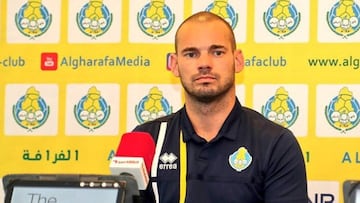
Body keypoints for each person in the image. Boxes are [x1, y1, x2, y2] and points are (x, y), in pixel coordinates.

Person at [132, 11, 308, 203]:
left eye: (217, 52)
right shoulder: (146, 139)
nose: (204, 64)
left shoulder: (275, 143)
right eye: (191, 54)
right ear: (174, 64)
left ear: (237, 60)